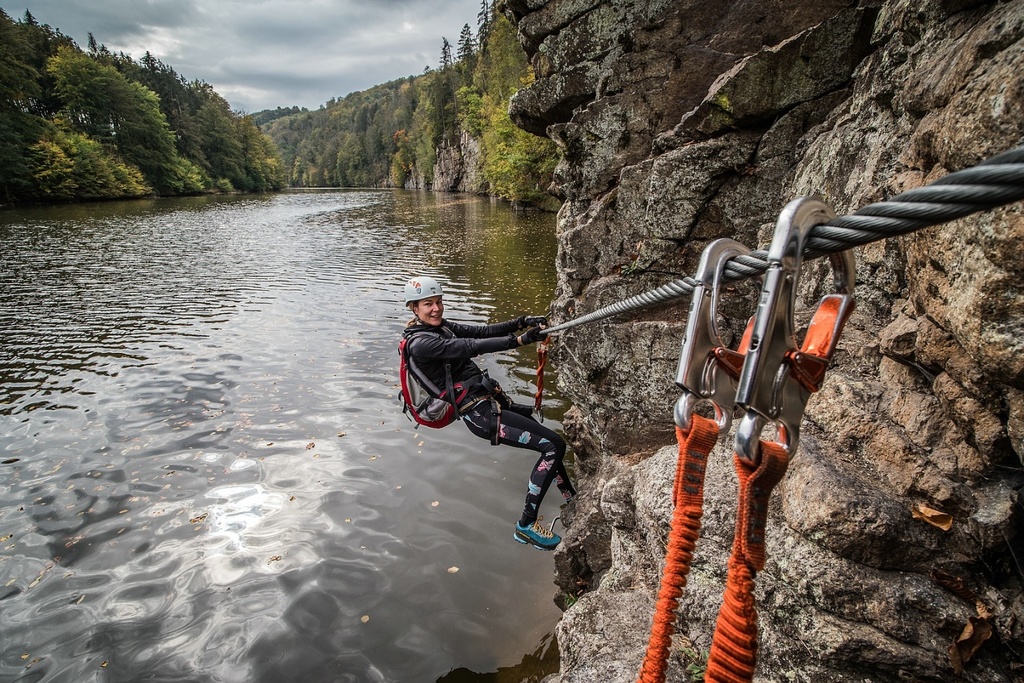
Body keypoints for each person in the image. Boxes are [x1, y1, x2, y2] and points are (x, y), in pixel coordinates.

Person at [402, 276, 576, 550]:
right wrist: (520, 340)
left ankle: (572, 499)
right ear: (414, 308)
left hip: (490, 403)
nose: (436, 309)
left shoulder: (442, 328)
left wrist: (521, 322)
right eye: (428, 304)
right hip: (481, 415)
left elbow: (481, 333)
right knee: (553, 446)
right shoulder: (422, 344)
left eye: (438, 302)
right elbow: (470, 347)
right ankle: (526, 525)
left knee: (550, 442)